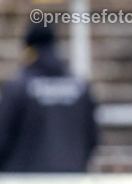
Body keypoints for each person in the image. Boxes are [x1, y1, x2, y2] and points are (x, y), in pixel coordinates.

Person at [0, 22, 98, 172]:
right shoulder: (80, 88)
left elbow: (3, 138)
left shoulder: (17, 89)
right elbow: (92, 139)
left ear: (28, 50)